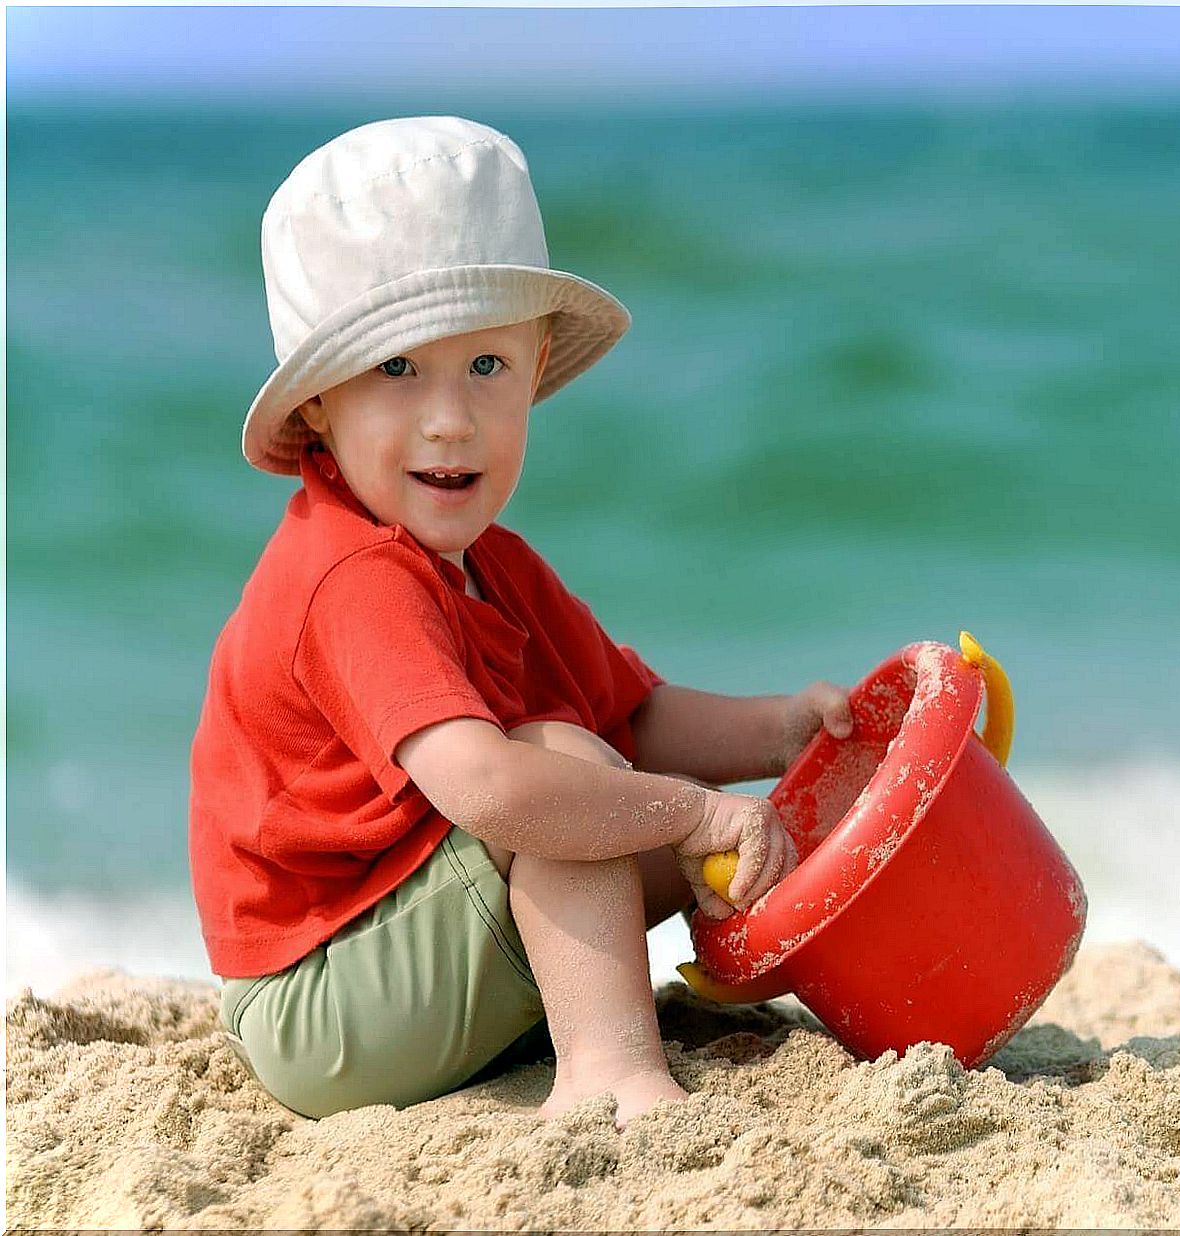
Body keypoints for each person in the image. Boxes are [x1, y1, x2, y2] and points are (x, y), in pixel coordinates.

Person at [189, 116, 854, 1127]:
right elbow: (490, 787)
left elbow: (634, 715)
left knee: (616, 776)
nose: (449, 418)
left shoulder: (491, 564)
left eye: (486, 368)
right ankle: (611, 1077)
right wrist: (685, 811)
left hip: (413, 953)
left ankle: (596, 1016)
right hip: (319, 1004)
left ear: (537, 368)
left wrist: (783, 732)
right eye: (397, 369)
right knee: (557, 764)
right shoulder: (352, 575)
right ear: (318, 404)